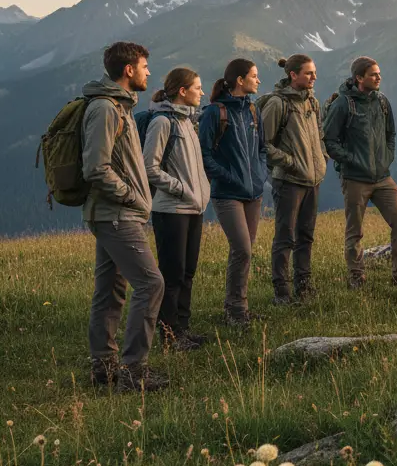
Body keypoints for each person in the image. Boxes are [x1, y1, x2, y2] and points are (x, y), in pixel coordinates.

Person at [81, 41, 167, 392]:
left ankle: (103, 368)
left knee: (111, 290)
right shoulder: (106, 108)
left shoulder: (120, 106)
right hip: (117, 214)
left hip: (115, 213)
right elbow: (95, 168)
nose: (149, 72)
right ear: (128, 70)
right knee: (151, 284)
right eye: (145, 66)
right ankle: (133, 372)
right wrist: (131, 196)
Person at [324, 56, 397, 289]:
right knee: (355, 231)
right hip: (355, 179)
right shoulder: (343, 104)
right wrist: (351, 160)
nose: (379, 77)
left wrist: (387, 157)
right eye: (373, 74)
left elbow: (391, 134)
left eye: (379, 73)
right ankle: (356, 277)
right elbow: (329, 140)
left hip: (383, 177)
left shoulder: (382, 102)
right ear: (359, 78)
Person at [143, 66, 212, 350]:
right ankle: (169, 337)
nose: (202, 92)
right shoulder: (162, 123)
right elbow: (149, 167)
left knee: (188, 272)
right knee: (173, 274)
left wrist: (200, 193)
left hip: (193, 209)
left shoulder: (187, 122)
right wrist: (182, 189)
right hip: (171, 210)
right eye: (197, 87)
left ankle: (182, 330)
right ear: (182, 91)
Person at [199, 58, 268, 327]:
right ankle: (235, 310)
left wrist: (260, 176)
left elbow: (262, 148)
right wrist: (230, 178)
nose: (258, 80)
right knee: (242, 249)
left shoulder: (253, 110)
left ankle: (239, 308)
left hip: (253, 193)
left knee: (246, 250)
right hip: (227, 193)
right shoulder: (214, 113)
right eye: (254, 75)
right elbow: (204, 155)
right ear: (240, 80)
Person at [260, 54, 327, 304]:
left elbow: (319, 134)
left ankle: (304, 285)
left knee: (306, 235)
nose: (314, 77)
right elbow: (262, 143)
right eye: (309, 73)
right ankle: (281, 290)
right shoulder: (278, 104)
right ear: (293, 75)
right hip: (288, 181)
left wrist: (322, 157)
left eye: (314, 72)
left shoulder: (313, 102)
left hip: (312, 179)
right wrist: (289, 162)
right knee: (285, 236)